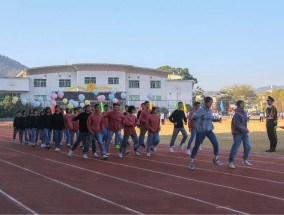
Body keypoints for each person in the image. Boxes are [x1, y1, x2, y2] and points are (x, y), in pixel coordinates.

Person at [188, 97, 222, 170]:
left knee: (215, 143)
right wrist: (199, 118)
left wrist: (217, 119)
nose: (211, 104)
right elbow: (192, 118)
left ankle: (216, 159)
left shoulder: (210, 110)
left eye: (211, 102)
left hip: (209, 130)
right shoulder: (200, 110)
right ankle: (191, 161)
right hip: (201, 131)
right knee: (197, 146)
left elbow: (211, 118)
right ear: (206, 102)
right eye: (210, 102)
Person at [227, 100, 252, 169]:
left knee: (248, 146)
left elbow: (244, 123)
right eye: (242, 104)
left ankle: (245, 159)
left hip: (244, 132)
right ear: (239, 105)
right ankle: (230, 161)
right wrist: (245, 130)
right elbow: (237, 125)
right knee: (235, 148)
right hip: (238, 133)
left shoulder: (244, 112)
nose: (243, 105)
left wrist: (245, 130)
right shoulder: (237, 114)